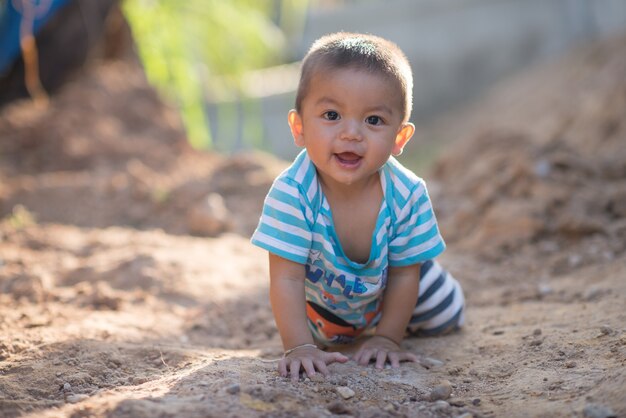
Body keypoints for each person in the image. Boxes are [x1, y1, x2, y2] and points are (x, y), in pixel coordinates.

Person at [251, 32, 465, 382]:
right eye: (332, 115)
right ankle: (347, 328)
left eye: (374, 120)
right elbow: (286, 277)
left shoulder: (406, 194)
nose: (352, 133)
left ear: (400, 138)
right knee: (325, 337)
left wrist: (386, 338)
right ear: (299, 127)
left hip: (397, 279)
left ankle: (394, 318)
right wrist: (298, 346)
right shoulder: (292, 193)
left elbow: (403, 273)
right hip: (326, 297)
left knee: (444, 315)